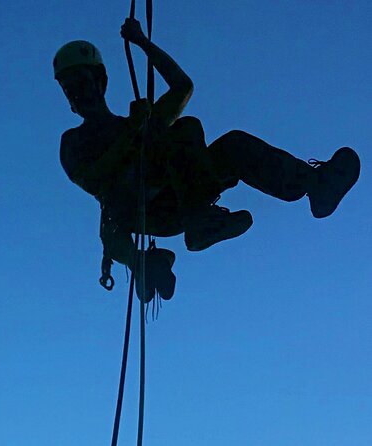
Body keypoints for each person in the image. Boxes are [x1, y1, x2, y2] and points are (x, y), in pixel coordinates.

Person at [54, 18, 360, 301]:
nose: (78, 94)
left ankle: (313, 184)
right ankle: (198, 221)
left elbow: (182, 88)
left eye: (82, 83)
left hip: (179, 194)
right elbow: (93, 179)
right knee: (185, 130)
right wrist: (135, 133)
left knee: (231, 144)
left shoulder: (136, 123)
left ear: (100, 82)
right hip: (144, 210)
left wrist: (142, 42)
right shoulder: (75, 141)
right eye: (70, 89)